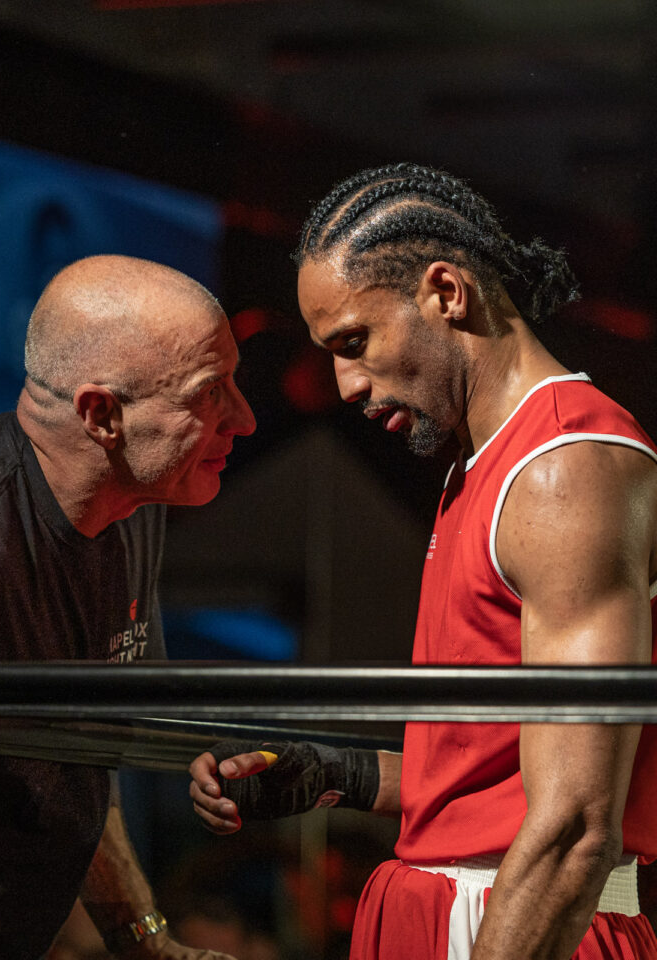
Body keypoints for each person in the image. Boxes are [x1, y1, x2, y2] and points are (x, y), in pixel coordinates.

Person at [189, 163, 657, 960]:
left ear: (446, 292)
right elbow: (493, 771)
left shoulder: (563, 469)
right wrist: (337, 772)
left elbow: (574, 828)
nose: (344, 383)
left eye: (355, 342)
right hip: (452, 907)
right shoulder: (482, 464)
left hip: (526, 922)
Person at [0, 254, 256, 960]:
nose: (243, 417)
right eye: (211, 392)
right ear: (102, 415)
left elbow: (75, 765)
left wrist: (144, 939)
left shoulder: (132, 504)